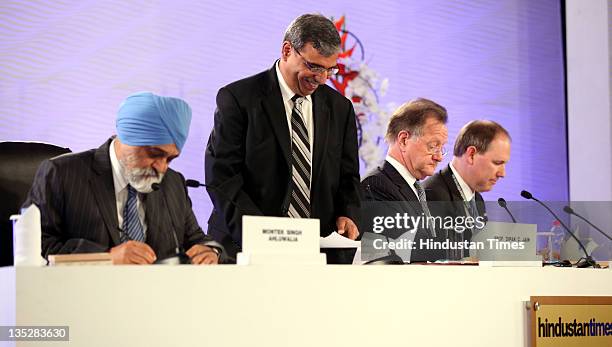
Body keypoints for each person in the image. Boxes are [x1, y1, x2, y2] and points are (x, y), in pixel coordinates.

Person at [205, 14, 361, 261]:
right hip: (245, 248)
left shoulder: (340, 108)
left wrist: (348, 213)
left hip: (319, 252)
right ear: (287, 50)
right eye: (314, 66)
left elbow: (348, 176)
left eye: (330, 69)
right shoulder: (238, 99)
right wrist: (265, 236)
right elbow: (222, 178)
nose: (321, 79)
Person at [24, 92, 222, 265]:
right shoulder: (61, 173)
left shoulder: (174, 183)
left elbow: (196, 239)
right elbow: (35, 244)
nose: (161, 167)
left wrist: (209, 252)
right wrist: (106, 258)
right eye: (154, 153)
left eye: (170, 158)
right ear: (127, 139)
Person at [360, 98, 448, 262]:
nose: (439, 157)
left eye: (442, 148)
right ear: (404, 140)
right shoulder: (376, 185)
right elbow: (403, 250)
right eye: (433, 146)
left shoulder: (417, 189)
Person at [423, 120, 511, 259]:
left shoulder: (477, 199)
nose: (502, 173)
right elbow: (428, 259)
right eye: (497, 163)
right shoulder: (432, 195)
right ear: (471, 155)